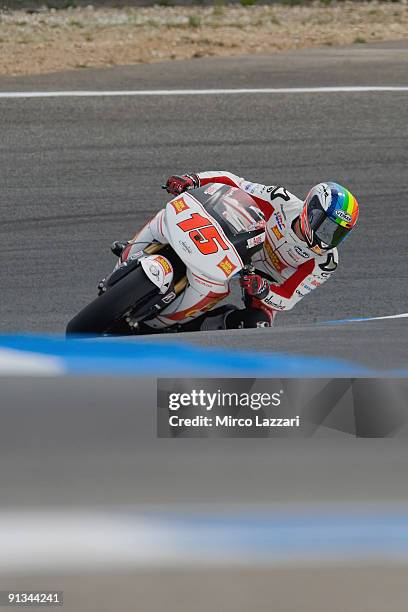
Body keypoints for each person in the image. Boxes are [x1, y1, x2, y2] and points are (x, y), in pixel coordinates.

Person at [112, 171, 359, 332]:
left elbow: (289, 296)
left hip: (265, 281)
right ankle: (140, 250)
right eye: (326, 227)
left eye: (338, 233)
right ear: (311, 211)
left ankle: (190, 327)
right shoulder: (280, 200)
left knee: (256, 325)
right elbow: (235, 183)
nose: (328, 238)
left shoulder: (325, 262)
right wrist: (194, 180)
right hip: (239, 245)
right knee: (186, 219)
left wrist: (263, 290)